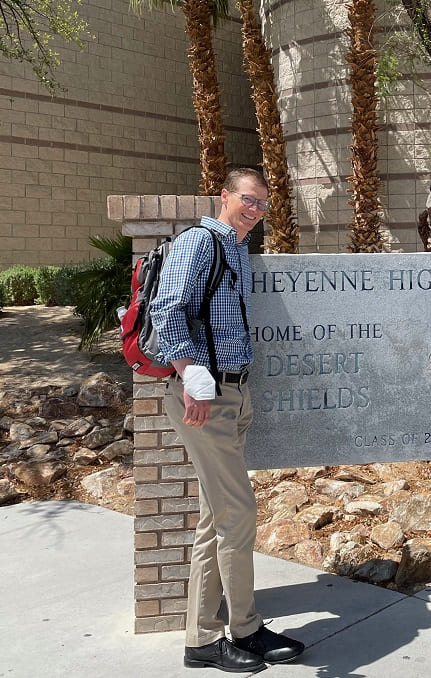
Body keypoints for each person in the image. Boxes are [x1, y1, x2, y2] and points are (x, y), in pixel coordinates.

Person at [150, 168, 305, 673]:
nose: (254, 211)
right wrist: (190, 374)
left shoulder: (237, 249)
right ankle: (244, 627)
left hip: (234, 393)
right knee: (238, 517)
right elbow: (166, 308)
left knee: (218, 519)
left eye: (262, 204)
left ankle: (203, 638)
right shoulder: (200, 242)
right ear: (224, 196)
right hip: (205, 396)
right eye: (247, 200)